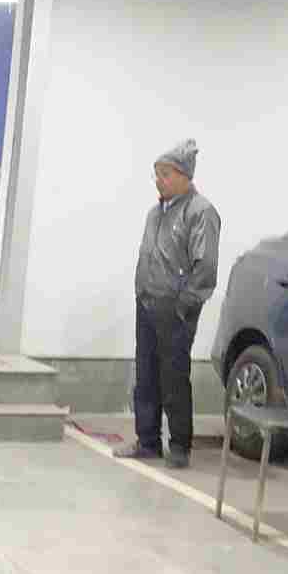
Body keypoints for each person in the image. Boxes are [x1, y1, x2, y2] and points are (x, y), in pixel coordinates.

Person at [115, 139, 220, 469]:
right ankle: (147, 440)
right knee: (146, 375)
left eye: (165, 174)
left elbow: (205, 266)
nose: (158, 181)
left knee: (173, 377)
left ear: (184, 175)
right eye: (156, 174)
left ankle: (179, 445)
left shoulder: (200, 212)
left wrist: (184, 303)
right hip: (147, 303)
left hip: (176, 310)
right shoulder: (154, 213)